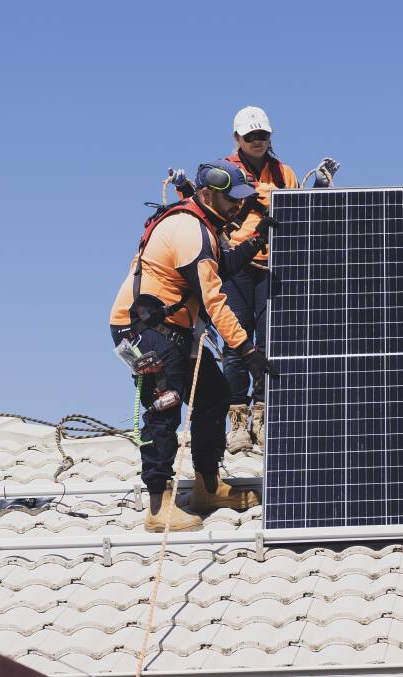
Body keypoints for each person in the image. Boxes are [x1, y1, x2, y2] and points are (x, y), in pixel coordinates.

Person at [109, 160, 276, 532]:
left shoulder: (207, 228)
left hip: (173, 328)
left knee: (213, 395)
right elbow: (213, 298)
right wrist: (247, 350)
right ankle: (158, 505)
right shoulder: (189, 229)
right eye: (232, 199)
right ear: (206, 195)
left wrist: (257, 240)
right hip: (143, 330)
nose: (238, 206)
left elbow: (223, 264)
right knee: (164, 408)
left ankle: (208, 487)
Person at [221, 106, 338, 453]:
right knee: (235, 344)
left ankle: (263, 415)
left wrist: (317, 188)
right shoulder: (225, 172)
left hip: (273, 265)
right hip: (236, 265)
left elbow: (298, 214)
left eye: (263, 135)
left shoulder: (282, 172)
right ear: (237, 138)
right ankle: (237, 421)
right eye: (250, 136)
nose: (257, 141)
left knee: (271, 342)